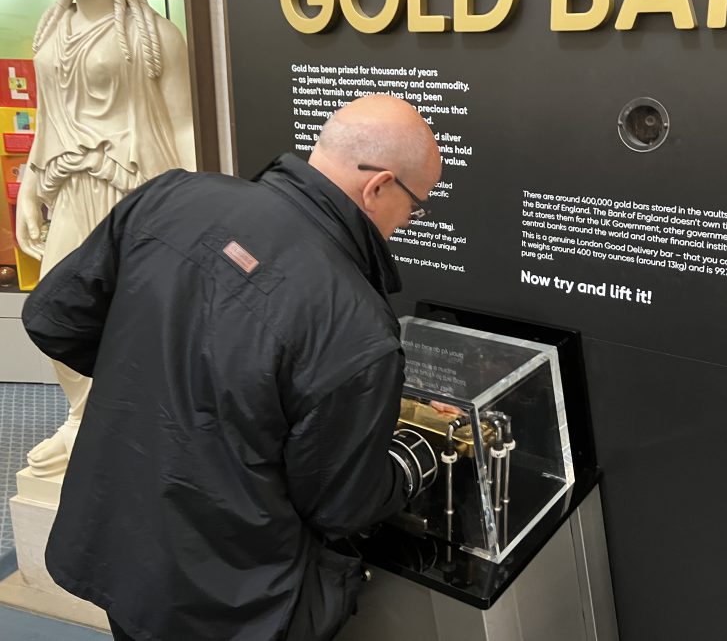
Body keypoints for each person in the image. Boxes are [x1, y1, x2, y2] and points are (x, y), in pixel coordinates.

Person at [21, 94, 443, 641]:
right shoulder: (357, 328)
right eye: (417, 204)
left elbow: (54, 320)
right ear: (379, 185)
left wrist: (155, 375)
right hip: (232, 595)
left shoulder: (171, 194)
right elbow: (341, 505)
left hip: (120, 536)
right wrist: (416, 455)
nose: (410, 220)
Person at [16, 0, 195, 477]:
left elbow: (186, 129)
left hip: (134, 194)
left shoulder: (152, 37)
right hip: (69, 189)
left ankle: (138, 424)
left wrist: (199, 214)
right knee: (57, 307)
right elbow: (47, 118)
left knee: (139, 314)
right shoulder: (49, 32)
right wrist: (29, 189)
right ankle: (79, 419)